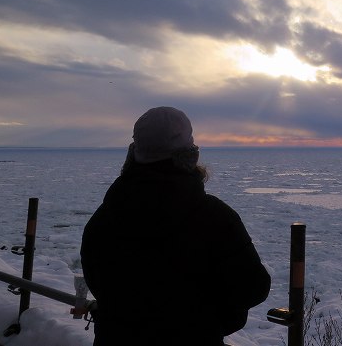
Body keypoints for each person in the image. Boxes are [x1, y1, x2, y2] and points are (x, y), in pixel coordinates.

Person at [81, 106, 271, 346]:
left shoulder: (105, 217)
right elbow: (253, 287)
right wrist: (211, 319)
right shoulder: (215, 218)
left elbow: (98, 280)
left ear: (134, 153)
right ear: (189, 153)